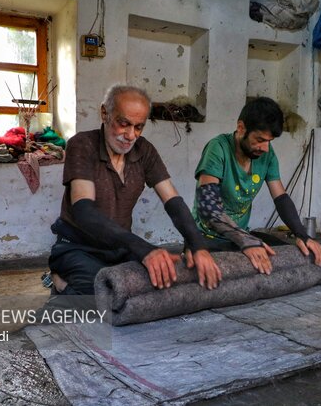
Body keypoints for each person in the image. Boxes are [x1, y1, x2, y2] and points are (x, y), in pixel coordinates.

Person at [45, 84, 222, 299]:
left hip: (118, 247)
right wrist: (143, 249)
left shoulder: (144, 150)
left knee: (156, 285)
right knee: (101, 295)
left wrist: (198, 244)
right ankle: (58, 281)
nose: (130, 135)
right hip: (77, 247)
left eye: (139, 127)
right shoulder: (83, 145)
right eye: (123, 124)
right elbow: (84, 210)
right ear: (104, 113)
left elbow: (173, 200)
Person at [192, 97, 321, 274]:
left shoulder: (267, 156)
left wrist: (302, 235)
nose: (265, 148)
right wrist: (247, 241)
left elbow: (281, 198)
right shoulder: (218, 148)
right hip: (207, 238)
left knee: (286, 260)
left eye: (269, 141)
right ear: (241, 128)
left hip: (240, 237)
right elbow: (208, 208)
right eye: (260, 139)